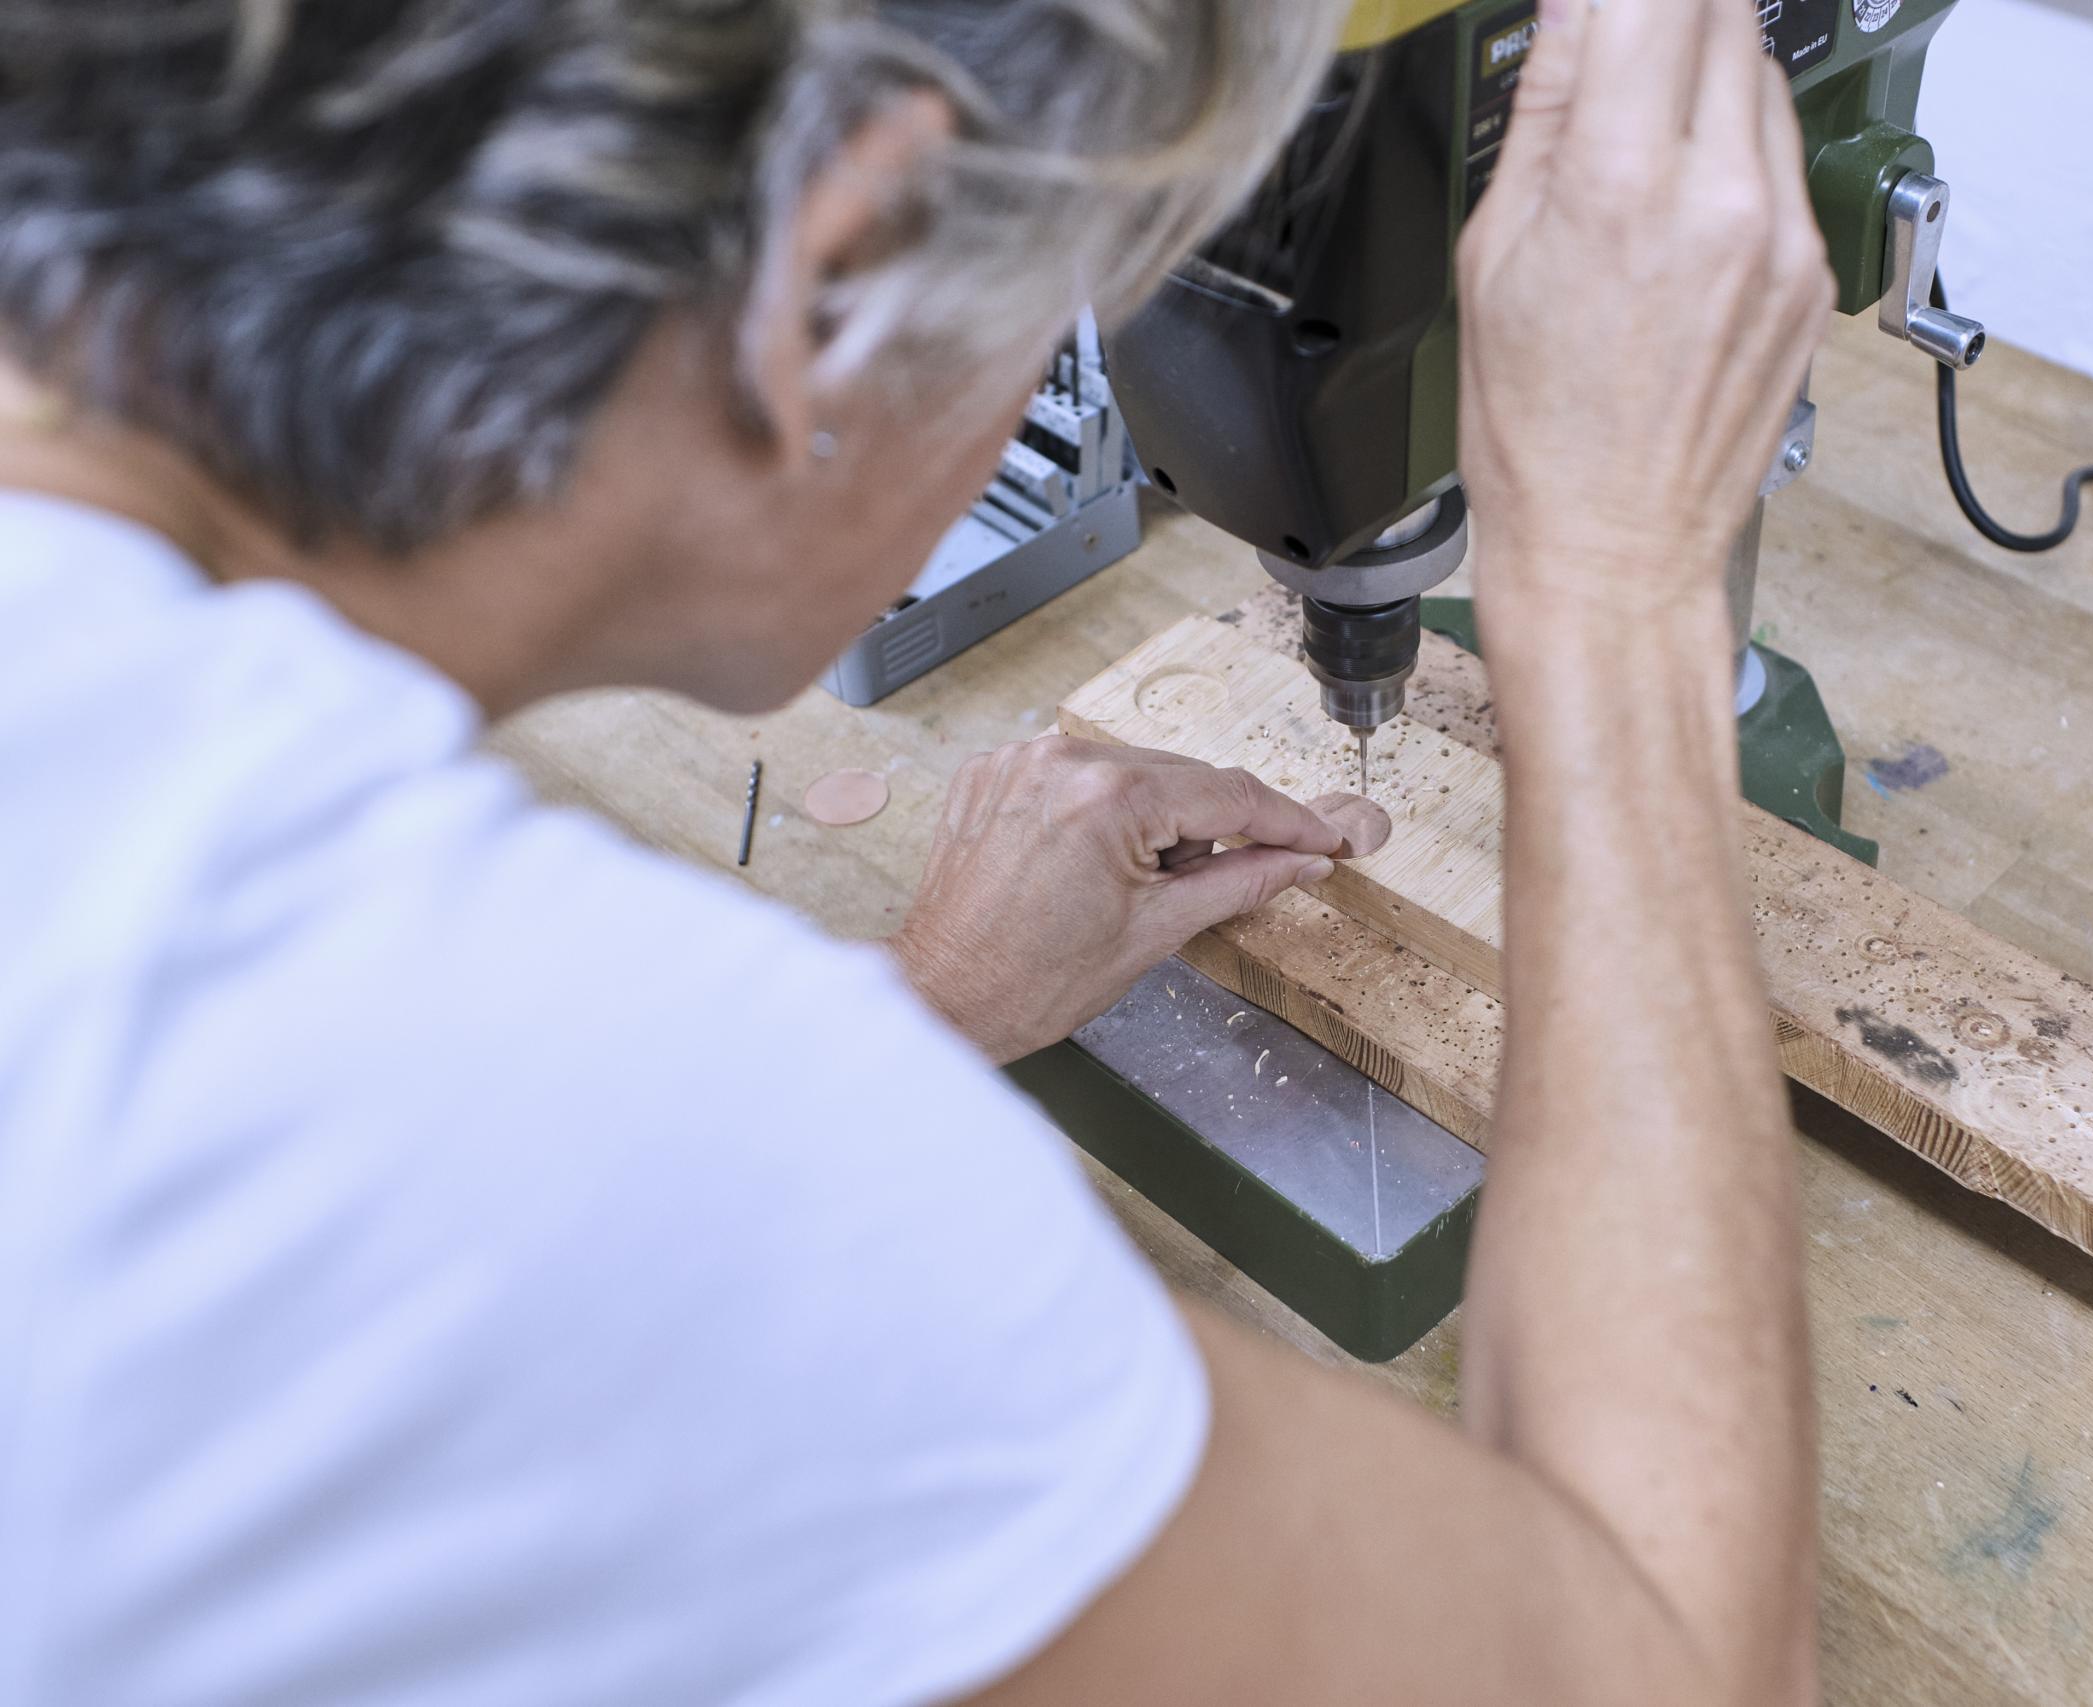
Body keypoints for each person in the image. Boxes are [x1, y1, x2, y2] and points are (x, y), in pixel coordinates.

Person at [0, 0, 1836, 1700]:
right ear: (841, 277)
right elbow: (1660, 1661)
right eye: (1073, 304)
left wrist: (924, 1004)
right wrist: (1613, 580)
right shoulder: (553, 1110)